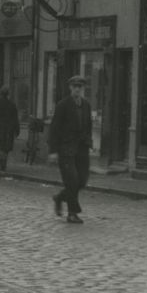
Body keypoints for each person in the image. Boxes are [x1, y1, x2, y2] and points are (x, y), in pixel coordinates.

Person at [46, 75, 92, 224]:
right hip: (66, 149)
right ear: (70, 88)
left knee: (82, 181)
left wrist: (89, 142)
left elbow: (88, 126)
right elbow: (54, 129)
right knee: (72, 181)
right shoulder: (63, 105)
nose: (77, 89)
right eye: (75, 86)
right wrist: (53, 151)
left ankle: (59, 197)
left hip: (82, 149)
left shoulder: (86, 105)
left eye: (80, 87)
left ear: (83, 88)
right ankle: (72, 214)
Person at [0, 86, 20, 173]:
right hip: (8, 130)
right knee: (6, 147)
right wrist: (17, 130)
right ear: (7, 95)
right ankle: (3, 161)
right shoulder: (12, 105)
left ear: (0, 94)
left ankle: (2, 161)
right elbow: (15, 119)